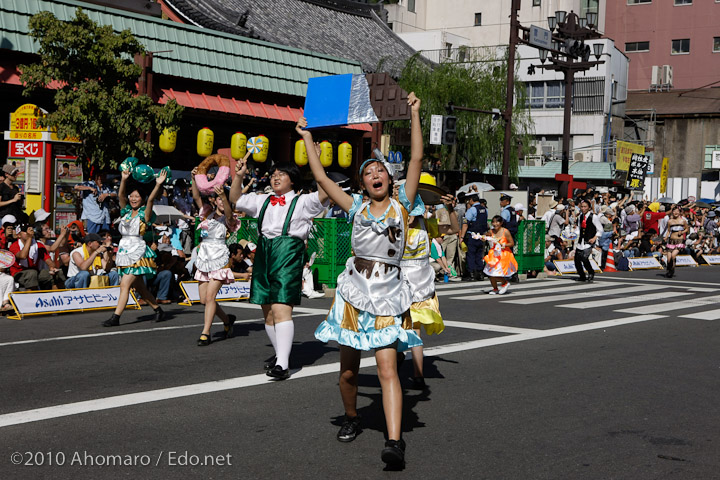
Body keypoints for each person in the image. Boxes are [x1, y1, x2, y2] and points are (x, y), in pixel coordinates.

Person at [309, 92, 423, 468]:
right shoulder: (355, 206)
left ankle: (394, 442)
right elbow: (322, 177)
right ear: (362, 185)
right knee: (348, 370)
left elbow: (418, 158)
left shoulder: (402, 204)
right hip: (354, 290)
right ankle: (353, 417)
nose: (375, 175)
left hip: (389, 293)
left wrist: (415, 115)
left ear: (391, 178)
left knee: (388, 368)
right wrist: (307, 137)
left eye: (380, 171)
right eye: (368, 173)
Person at [229, 147, 328, 381]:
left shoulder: (303, 201)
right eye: (273, 173)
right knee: (268, 311)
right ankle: (280, 356)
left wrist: (317, 161)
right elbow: (235, 199)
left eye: (282, 173)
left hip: (288, 251)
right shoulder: (262, 199)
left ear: (292, 179)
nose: (275, 176)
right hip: (264, 251)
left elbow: (324, 193)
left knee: (281, 306)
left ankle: (282, 365)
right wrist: (239, 176)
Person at [402, 193, 458, 390]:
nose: (407, 215)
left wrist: (450, 209)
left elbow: (454, 229)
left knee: (414, 328)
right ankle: (403, 364)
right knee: (395, 326)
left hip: (416, 283)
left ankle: (418, 374)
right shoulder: (396, 227)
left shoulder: (425, 225)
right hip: (402, 280)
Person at [102, 166, 168, 327]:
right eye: (131, 196)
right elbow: (120, 195)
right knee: (139, 287)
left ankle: (116, 317)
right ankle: (158, 309)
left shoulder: (144, 213)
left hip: (137, 250)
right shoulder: (125, 212)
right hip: (125, 250)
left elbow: (151, 200)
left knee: (124, 284)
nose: (132, 198)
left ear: (142, 199)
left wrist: (158, 184)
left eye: (136, 196)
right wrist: (124, 179)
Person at [190, 167, 238, 346]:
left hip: (219, 257)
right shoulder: (207, 212)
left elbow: (228, 214)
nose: (219, 200)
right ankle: (227, 320)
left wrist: (225, 197)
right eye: (217, 197)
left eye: (222, 198)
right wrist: (194, 178)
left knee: (210, 297)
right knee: (204, 300)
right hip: (204, 257)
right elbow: (196, 197)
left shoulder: (229, 218)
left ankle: (205, 333)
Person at [9, 224, 60, 291]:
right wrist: (29, 238)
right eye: (25, 231)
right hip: (19, 273)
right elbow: (22, 256)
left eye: (30, 230)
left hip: (35, 273)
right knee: (32, 274)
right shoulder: (14, 246)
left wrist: (52, 267)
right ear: (19, 235)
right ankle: (31, 299)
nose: (28, 233)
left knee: (57, 274)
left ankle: (56, 298)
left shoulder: (38, 245)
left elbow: (49, 261)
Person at [482, 215, 518, 294]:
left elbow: (512, 243)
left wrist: (504, 245)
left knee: (495, 273)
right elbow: (486, 237)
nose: (495, 224)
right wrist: (482, 238)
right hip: (493, 254)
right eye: (493, 222)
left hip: (503, 255)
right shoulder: (491, 231)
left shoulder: (505, 231)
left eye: (497, 222)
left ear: (501, 223)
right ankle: (495, 288)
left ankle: (505, 283)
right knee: (490, 273)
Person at [574, 199, 603, 282]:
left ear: (589, 208)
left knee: (584, 257)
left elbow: (600, 229)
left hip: (589, 240)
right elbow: (579, 228)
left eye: (585, 207)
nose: (583, 208)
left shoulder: (593, 217)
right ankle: (581, 275)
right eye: (582, 207)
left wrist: (594, 238)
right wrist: (573, 234)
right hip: (581, 240)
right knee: (577, 259)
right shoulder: (580, 216)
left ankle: (590, 272)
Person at [459, 195, 488, 281]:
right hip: (481, 235)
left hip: (472, 235)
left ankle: (471, 274)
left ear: (471, 200)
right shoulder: (484, 209)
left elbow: (465, 223)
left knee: (471, 254)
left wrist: (462, 237)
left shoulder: (471, 210)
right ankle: (480, 273)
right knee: (479, 255)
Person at [663, 206, 688, 278]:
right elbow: (668, 231)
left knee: (673, 255)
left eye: (677, 211)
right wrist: (666, 237)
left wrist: (682, 232)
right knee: (668, 258)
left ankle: (672, 270)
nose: (675, 213)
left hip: (679, 240)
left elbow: (687, 229)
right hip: (671, 241)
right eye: (674, 211)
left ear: (680, 212)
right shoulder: (670, 221)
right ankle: (669, 270)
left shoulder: (683, 221)